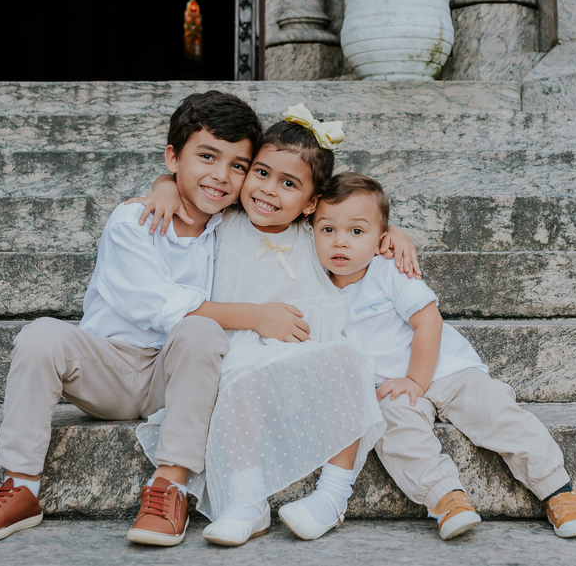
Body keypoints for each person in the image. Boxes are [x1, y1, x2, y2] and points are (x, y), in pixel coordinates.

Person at [0, 90, 289, 546]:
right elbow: (160, 305)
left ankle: (170, 484)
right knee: (41, 335)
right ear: (173, 157)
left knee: (200, 331)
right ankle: (21, 486)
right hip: (105, 368)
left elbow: (310, 212)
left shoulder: (230, 226)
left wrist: (390, 233)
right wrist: (254, 316)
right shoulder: (134, 220)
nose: (221, 176)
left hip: (173, 378)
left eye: (238, 166)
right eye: (207, 156)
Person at [132, 105, 419, 546]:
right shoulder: (224, 221)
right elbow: (194, 188)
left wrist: (390, 232)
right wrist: (165, 184)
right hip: (244, 349)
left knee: (349, 360)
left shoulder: (315, 232)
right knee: (238, 378)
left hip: (306, 347)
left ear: (310, 203)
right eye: (260, 173)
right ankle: (247, 501)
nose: (268, 189)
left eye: (288, 184)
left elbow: (355, 219)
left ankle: (331, 495)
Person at [312, 171, 576, 540]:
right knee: (394, 427)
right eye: (327, 230)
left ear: (382, 240)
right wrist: (408, 388)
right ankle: (446, 499)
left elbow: (428, 322)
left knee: (496, 411)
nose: (341, 242)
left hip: (447, 370)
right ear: (312, 233)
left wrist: (417, 379)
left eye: (356, 232)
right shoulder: (315, 286)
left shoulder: (391, 269)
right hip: (394, 388)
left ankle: (558, 491)